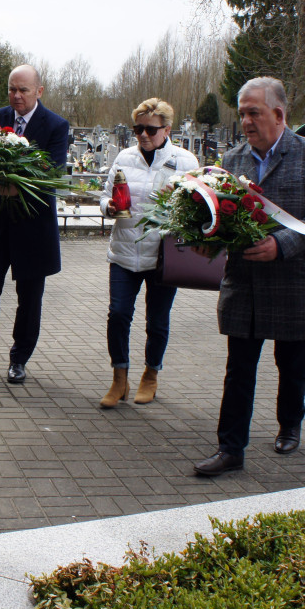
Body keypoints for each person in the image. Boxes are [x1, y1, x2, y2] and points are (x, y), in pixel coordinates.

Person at [194, 77, 305, 477]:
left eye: (253, 112)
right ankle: (230, 448)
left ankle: (290, 424)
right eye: (241, 113)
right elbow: (217, 213)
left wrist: (282, 245)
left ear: (279, 114)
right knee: (238, 369)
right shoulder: (233, 159)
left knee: (292, 365)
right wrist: (208, 238)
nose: (245, 121)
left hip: (294, 279)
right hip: (245, 282)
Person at [0, 65, 69, 387]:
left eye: (23, 90)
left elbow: (51, 176)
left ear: (39, 90)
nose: (17, 96)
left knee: (29, 298)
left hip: (33, 227)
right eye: (12, 89)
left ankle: (19, 359)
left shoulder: (55, 126)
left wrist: (9, 188)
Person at [99, 98, 198, 407]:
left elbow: (197, 208)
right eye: (137, 128)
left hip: (163, 256)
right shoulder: (124, 158)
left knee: (156, 321)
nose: (143, 135)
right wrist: (109, 207)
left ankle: (151, 374)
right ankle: (119, 379)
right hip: (125, 251)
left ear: (167, 129)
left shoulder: (185, 161)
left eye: (150, 129)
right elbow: (105, 198)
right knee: (118, 315)